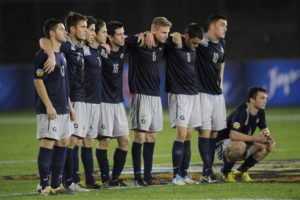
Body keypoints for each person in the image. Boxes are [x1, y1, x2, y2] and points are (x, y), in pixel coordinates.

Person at [39, 11, 89, 192]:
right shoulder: (60, 48)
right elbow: (43, 41)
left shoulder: (73, 49)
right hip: (63, 100)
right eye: (83, 27)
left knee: (68, 141)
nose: (86, 30)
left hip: (71, 101)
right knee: (60, 142)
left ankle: (61, 182)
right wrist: (50, 54)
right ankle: (55, 183)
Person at [126, 17, 172, 186]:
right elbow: (123, 39)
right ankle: (137, 178)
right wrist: (143, 33)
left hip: (155, 96)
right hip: (141, 95)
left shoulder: (163, 46)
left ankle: (148, 176)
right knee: (140, 136)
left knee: (152, 136)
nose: (166, 36)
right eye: (163, 32)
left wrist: (174, 35)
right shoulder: (139, 42)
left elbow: (178, 39)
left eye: (167, 32)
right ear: (154, 31)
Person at [34, 18, 75, 195]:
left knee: (63, 142)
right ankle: (44, 185)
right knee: (48, 142)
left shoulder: (61, 54)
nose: (65, 32)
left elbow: (63, 85)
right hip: (50, 110)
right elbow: (38, 81)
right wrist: (49, 105)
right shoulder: (42, 55)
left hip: (64, 108)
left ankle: (56, 185)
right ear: (52, 32)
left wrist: (70, 107)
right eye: (61, 29)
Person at [164, 23, 203, 185]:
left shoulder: (193, 48)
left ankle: (184, 174)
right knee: (180, 134)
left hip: (193, 94)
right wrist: (173, 34)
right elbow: (163, 38)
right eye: (194, 42)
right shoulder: (174, 45)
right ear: (186, 37)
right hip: (179, 95)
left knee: (188, 135)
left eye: (198, 44)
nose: (195, 46)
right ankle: (175, 176)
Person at [96, 21, 130, 187]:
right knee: (104, 141)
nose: (123, 37)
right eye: (119, 34)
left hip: (118, 103)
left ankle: (115, 179)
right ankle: (104, 180)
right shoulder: (100, 51)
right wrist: (101, 44)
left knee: (124, 141)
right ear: (109, 37)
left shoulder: (123, 47)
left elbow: (141, 37)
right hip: (103, 102)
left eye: (124, 33)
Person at [216, 86, 275, 182]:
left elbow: (264, 128)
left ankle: (241, 172)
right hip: (222, 145)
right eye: (262, 98)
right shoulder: (242, 110)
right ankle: (226, 172)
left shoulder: (260, 111)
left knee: (269, 145)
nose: (265, 101)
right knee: (240, 145)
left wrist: (265, 135)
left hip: (241, 143)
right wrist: (257, 138)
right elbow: (233, 135)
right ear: (252, 100)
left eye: (265, 98)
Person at [195, 14, 228, 183]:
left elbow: (222, 62)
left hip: (217, 94)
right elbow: (184, 38)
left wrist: (221, 80)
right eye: (222, 25)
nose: (225, 28)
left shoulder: (222, 44)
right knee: (204, 131)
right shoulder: (201, 40)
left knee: (214, 132)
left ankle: (205, 172)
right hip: (202, 93)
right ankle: (208, 171)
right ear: (212, 26)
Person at [81, 16, 102, 189]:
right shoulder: (78, 49)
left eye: (95, 30)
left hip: (95, 101)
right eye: (91, 29)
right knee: (73, 141)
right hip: (83, 101)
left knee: (88, 142)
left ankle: (89, 180)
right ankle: (70, 179)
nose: (93, 33)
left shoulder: (96, 51)